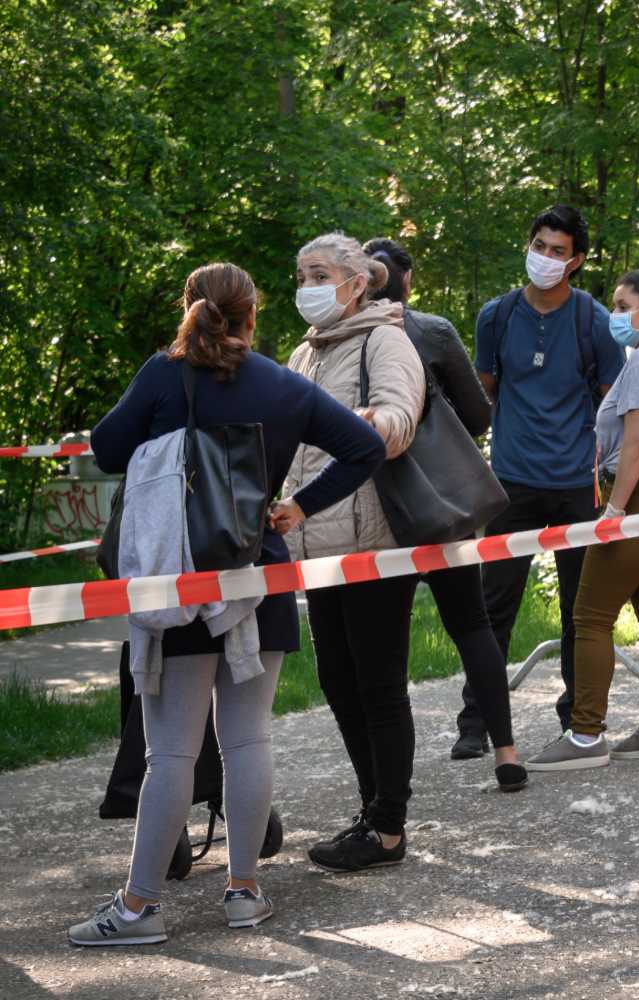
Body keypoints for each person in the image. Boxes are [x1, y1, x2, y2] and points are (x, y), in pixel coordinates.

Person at [70, 263, 385, 945]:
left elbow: (104, 447)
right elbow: (365, 446)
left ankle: (139, 908)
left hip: (179, 582)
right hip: (258, 579)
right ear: (252, 314)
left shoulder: (164, 375)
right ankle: (244, 893)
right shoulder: (283, 384)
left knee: (171, 754)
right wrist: (297, 506)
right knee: (249, 740)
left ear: (191, 308)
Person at [284, 233, 427, 873]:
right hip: (314, 547)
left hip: (373, 546)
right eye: (300, 274)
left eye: (319, 273)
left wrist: (369, 423)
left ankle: (389, 827)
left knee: (378, 685)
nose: (306, 285)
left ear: (356, 282)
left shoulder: (385, 340)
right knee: (338, 682)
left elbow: (400, 420)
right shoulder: (303, 355)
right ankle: (372, 813)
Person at [362, 238, 526, 791]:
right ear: (406, 280)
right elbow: (478, 415)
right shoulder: (431, 331)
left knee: (385, 643)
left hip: (371, 506)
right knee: (472, 623)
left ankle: (388, 786)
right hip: (440, 499)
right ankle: (503, 749)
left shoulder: (342, 339)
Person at [461, 205, 625, 748]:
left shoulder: (593, 320)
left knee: (581, 608)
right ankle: (477, 722)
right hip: (509, 484)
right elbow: (486, 385)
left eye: (558, 251)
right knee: (493, 607)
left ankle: (575, 716)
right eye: (540, 245)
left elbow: (612, 400)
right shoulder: (497, 316)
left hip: (576, 484)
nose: (546, 258)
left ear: (576, 260)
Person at [525, 267, 639, 769]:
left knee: (591, 617)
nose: (614, 314)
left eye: (624, 306)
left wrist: (616, 510)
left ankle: (584, 736)